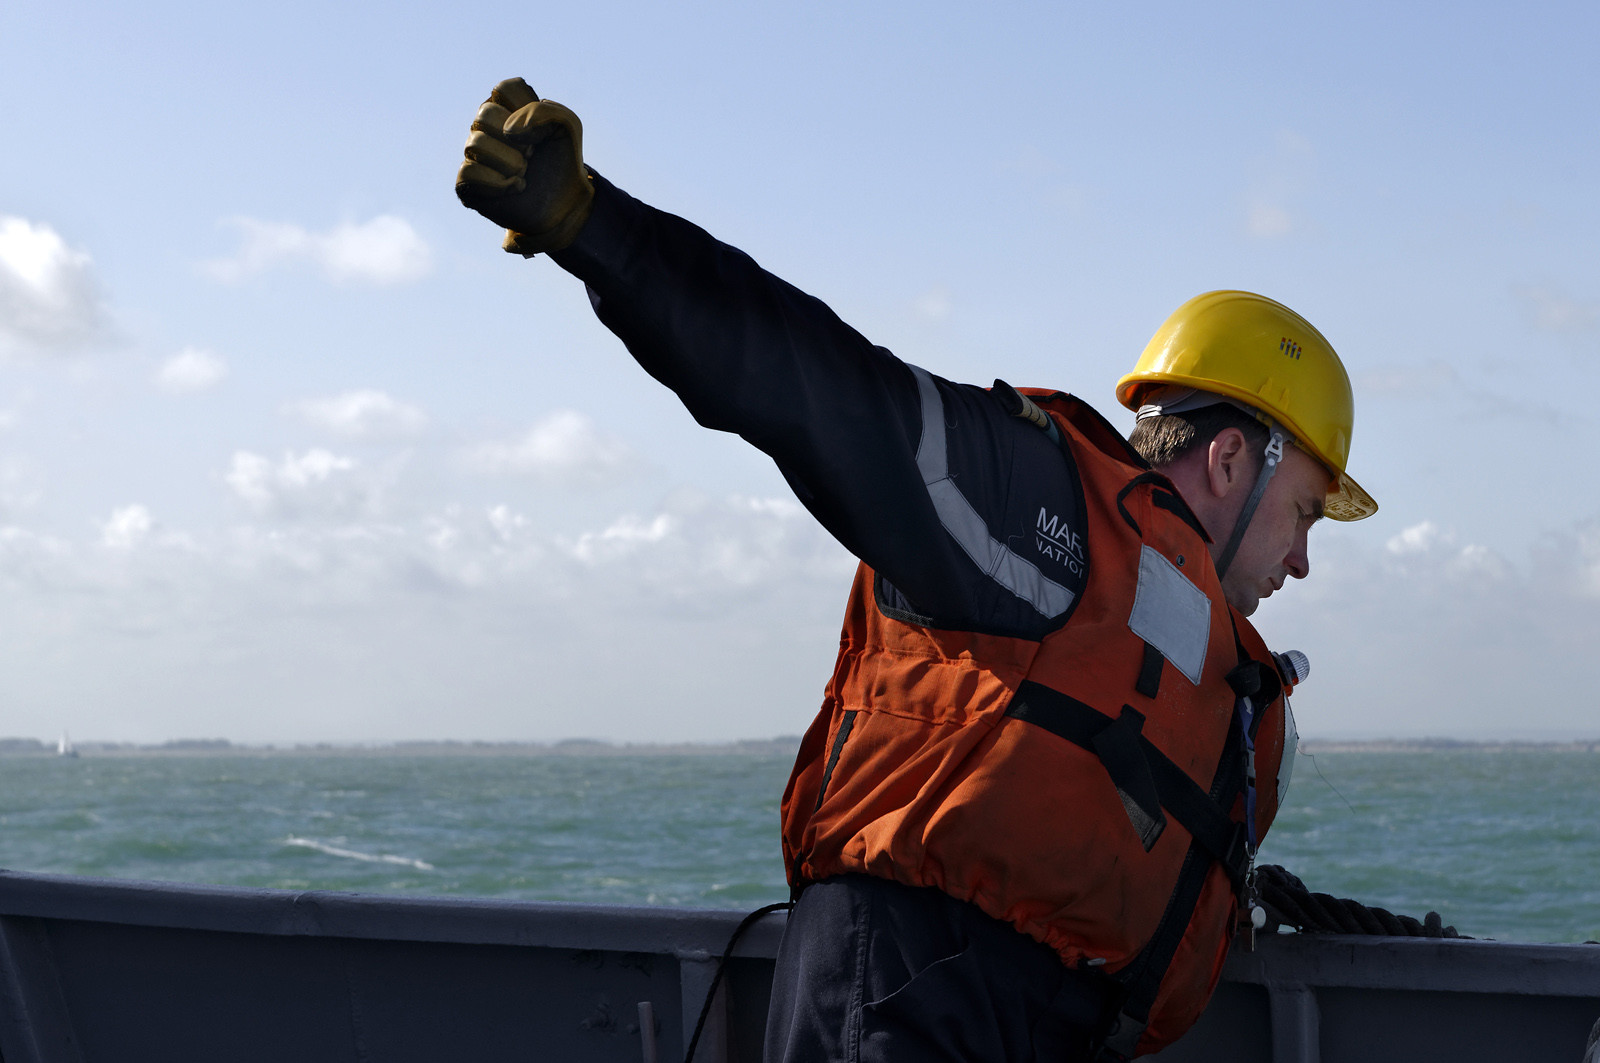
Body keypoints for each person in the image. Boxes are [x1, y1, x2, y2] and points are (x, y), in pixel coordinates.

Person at [455, 78, 1377, 1062]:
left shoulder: (1230, 679)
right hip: (912, 1000)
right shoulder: (1044, 501)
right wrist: (594, 229)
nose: (1303, 559)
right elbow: (821, 391)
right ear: (1235, 460)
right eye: (1305, 513)